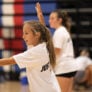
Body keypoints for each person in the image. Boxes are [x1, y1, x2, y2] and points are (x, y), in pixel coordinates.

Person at [0, 20, 61, 92]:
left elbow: (10, 61)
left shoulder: (36, 52)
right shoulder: (42, 44)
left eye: (26, 33)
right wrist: (40, 16)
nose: (23, 36)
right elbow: (43, 30)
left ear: (37, 35)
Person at [35, 3, 78, 92]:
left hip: (63, 68)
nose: (50, 20)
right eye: (49, 18)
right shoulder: (62, 30)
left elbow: (56, 51)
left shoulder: (60, 32)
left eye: (52, 18)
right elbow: (47, 36)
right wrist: (41, 19)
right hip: (69, 67)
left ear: (59, 20)